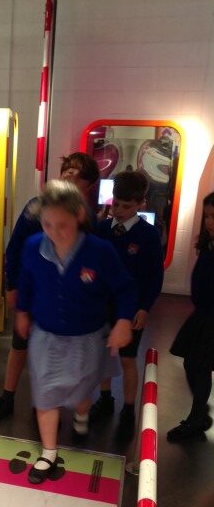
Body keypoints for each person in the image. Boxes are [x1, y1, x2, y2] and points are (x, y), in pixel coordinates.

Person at [15, 179, 137, 484]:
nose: (54, 232)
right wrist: (22, 312)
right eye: (47, 224)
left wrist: (123, 321)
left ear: (79, 216)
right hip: (46, 336)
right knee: (45, 393)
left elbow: (125, 288)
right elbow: (25, 283)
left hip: (88, 338)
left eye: (63, 225)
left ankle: (82, 415)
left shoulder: (99, 251)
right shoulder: (33, 247)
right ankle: (48, 452)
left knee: (82, 393)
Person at [0, 152, 100, 424]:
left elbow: (91, 260)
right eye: (67, 170)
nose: (69, 175)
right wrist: (12, 285)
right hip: (32, 290)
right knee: (20, 344)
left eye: (77, 174)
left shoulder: (86, 217)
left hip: (65, 296)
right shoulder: (35, 207)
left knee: (59, 351)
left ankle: (47, 405)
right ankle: (7, 397)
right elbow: (15, 248)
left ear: (88, 184)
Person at [90, 171, 164, 433]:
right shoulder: (101, 229)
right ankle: (105, 400)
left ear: (141, 204)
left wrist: (145, 307)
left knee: (128, 358)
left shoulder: (148, 235)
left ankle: (129, 409)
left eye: (126, 206)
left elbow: (155, 275)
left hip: (131, 307)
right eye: (116, 204)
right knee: (103, 355)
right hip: (102, 305)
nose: (119, 211)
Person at [166, 192, 214, 441]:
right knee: (191, 363)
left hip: (212, 317)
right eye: (207, 216)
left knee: (201, 367)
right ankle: (200, 412)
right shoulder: (208, 244)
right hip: (203, 314)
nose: (209, 222)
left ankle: (196, 420)